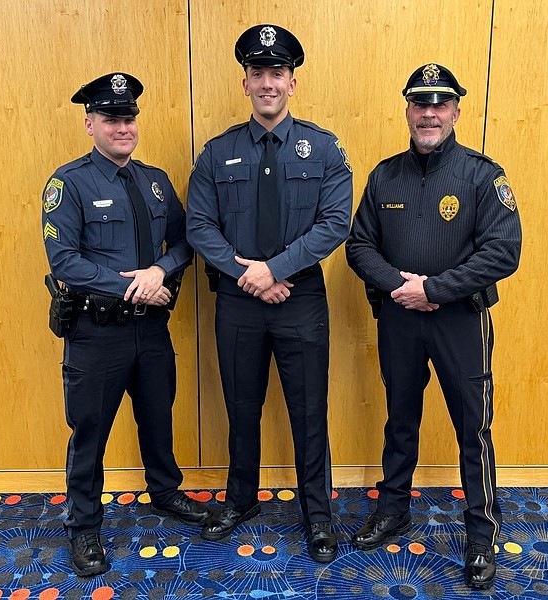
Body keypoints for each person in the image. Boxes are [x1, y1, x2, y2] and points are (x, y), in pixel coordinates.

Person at [345, 63, 522, 589]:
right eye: (420, 104)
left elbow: (504, 251)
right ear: (407, 110)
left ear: (456, 112)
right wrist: (403, 285)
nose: (429, 113)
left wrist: (435, 290)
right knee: (400, 419)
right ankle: (393, 510)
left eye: (440, 104)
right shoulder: (385, 175)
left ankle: (480, 534)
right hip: (400, 318)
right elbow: (359, 245)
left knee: (474, 429)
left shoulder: (482, 175)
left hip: (460, 321)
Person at [186, 25, 353, 563]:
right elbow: (200, 227)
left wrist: (274, 269)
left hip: (300, 299)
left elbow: (334, 224)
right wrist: (249, 274)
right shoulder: (218, 152)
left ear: (292, 82)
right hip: (237, 300)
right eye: (257, 74)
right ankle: (240, 501)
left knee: (309, 411)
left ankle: (317, 516)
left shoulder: (324, 149)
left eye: (276, 73)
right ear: (245, 83)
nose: (267, 83)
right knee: (241, 406)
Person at [42, 72, 209, 576]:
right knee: (89, 431)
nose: (123, 126)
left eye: (129, 117)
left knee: (158, 417)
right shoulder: (67, 183)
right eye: (112, 118)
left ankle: (165, 491)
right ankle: (84, 526)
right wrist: (130, 285)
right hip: (97, 333)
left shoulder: (155, 180)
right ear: (89, 123)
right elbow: (64, 260)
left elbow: (187, 240)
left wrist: (161, 270)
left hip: (151, 328)